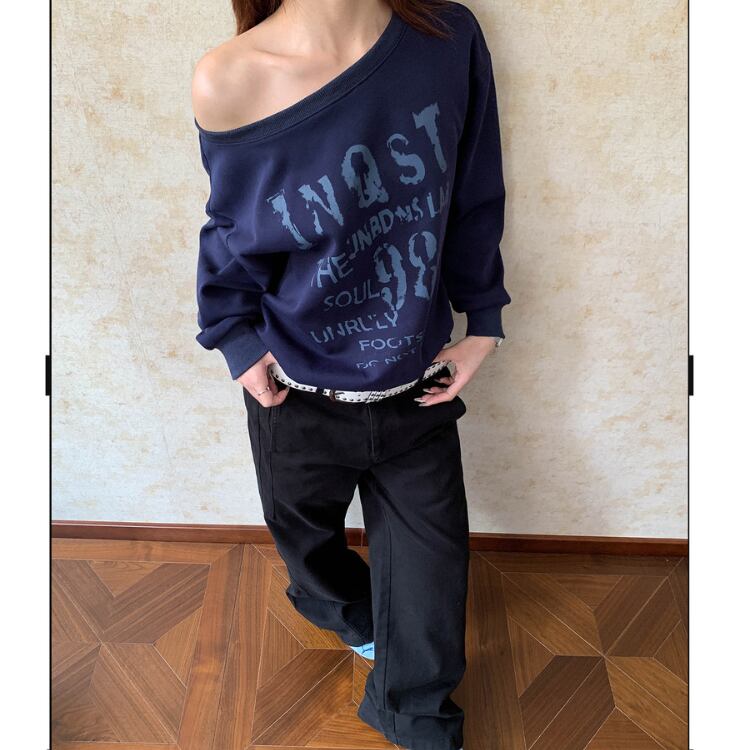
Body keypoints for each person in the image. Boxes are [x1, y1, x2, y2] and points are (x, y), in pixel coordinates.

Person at [191, 1, 510, 748]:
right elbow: (231, 227)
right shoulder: (228, 77)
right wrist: (235, 340)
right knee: (308, 551)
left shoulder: (446, 36)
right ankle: (351, 614)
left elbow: (473, 186)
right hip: (296, 396)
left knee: (433, 594)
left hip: (416, 392)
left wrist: (484, 320)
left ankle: (416, 719)